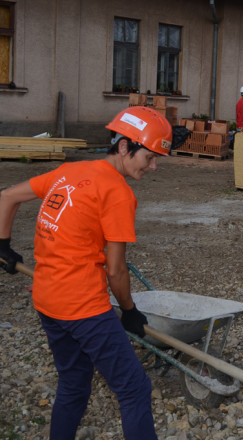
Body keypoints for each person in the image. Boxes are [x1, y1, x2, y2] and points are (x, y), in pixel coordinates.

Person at [0, 106, 180, 439]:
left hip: (47, 300)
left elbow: (7, 197)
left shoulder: (70, 171)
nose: (154, 166)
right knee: (134, 388)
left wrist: (2, 245)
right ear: (125, 147)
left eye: (158, 159)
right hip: (84, 307)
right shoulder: (117, 193)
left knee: (73, 382)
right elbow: (115, 270)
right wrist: (129, 311)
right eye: (150, 157)